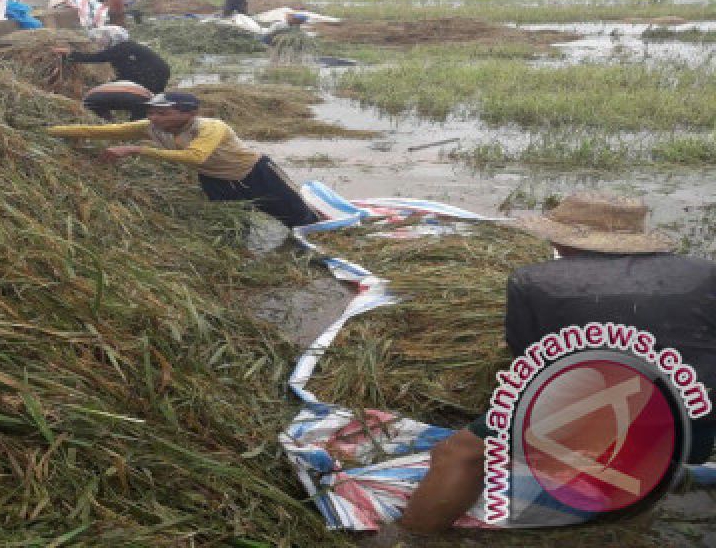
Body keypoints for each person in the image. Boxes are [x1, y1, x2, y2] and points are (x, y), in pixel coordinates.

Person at [400, 191, 716, 535]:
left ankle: (411, 536)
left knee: (458, 453)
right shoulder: (704, 273)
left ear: (565, 240)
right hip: (693, 428)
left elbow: (530, 362)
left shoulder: (535, 281)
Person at [47, 91, 323, 229]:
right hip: (216, 181)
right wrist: (48, 130)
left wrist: (136, 150)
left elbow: (195, 156)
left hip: (254, 174)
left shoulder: (210, 127)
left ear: (187, 113)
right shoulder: (150, 127)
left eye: (163, 113)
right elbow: (100, 131)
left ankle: (317, 245)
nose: (155, 118)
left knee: (297, 219)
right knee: (232, 224)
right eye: (153, 112)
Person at [52, 26, 170, 94]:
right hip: (155, 73)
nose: (100, 40)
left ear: (112, 37)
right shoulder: (126, 47)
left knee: (144, 97)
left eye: (104, 38)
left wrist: (69, 54)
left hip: (153, 75)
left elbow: (97, 58)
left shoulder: (124, 47)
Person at [81, 81, 153, 122]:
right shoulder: (146, 99)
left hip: (92, 96)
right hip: (95, 97)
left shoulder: (144, 93)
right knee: (138, 121)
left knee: (107, 121)